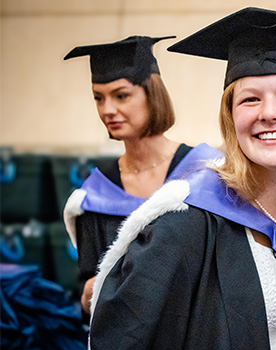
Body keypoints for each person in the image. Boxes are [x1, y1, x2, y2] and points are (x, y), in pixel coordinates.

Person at [86, 7, 276, 350]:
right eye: (250, 99)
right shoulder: (183, 226)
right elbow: (120, 339)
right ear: (231, 118)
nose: (269, 113)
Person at [61, 35, 221, 319]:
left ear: (152, 94)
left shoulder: (202, 174)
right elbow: (87, 283)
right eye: (99, 98)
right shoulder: (97, 192)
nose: (107, 110)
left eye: (121, 95)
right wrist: (89, 293)